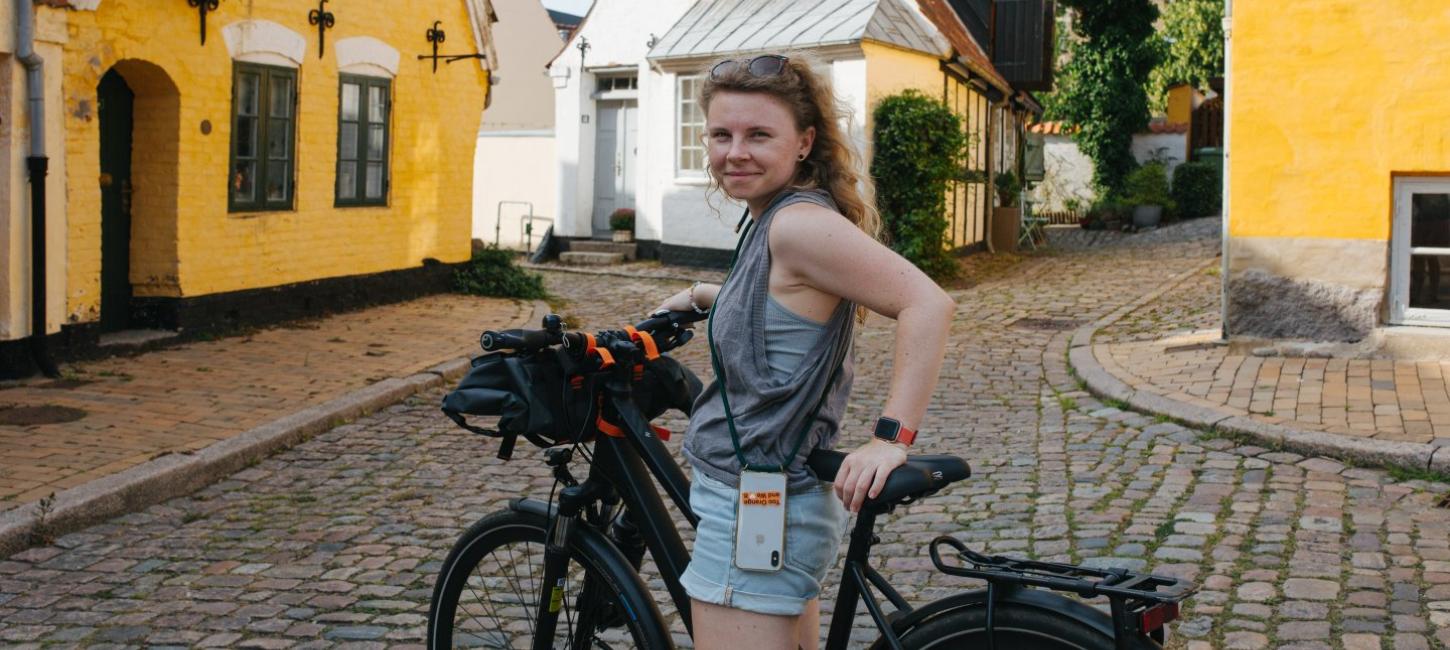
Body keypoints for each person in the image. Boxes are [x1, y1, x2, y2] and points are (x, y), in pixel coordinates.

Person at [653, 53, 955, 650]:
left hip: (763, 503)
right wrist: (701, 296)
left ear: (803, 143)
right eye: (721, 134)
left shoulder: (796, 225)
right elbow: (785, 303)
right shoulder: (771, 220)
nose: (734, 151)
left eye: (758, 134)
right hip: (763, 499)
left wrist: (892, 439)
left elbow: (928, 304)